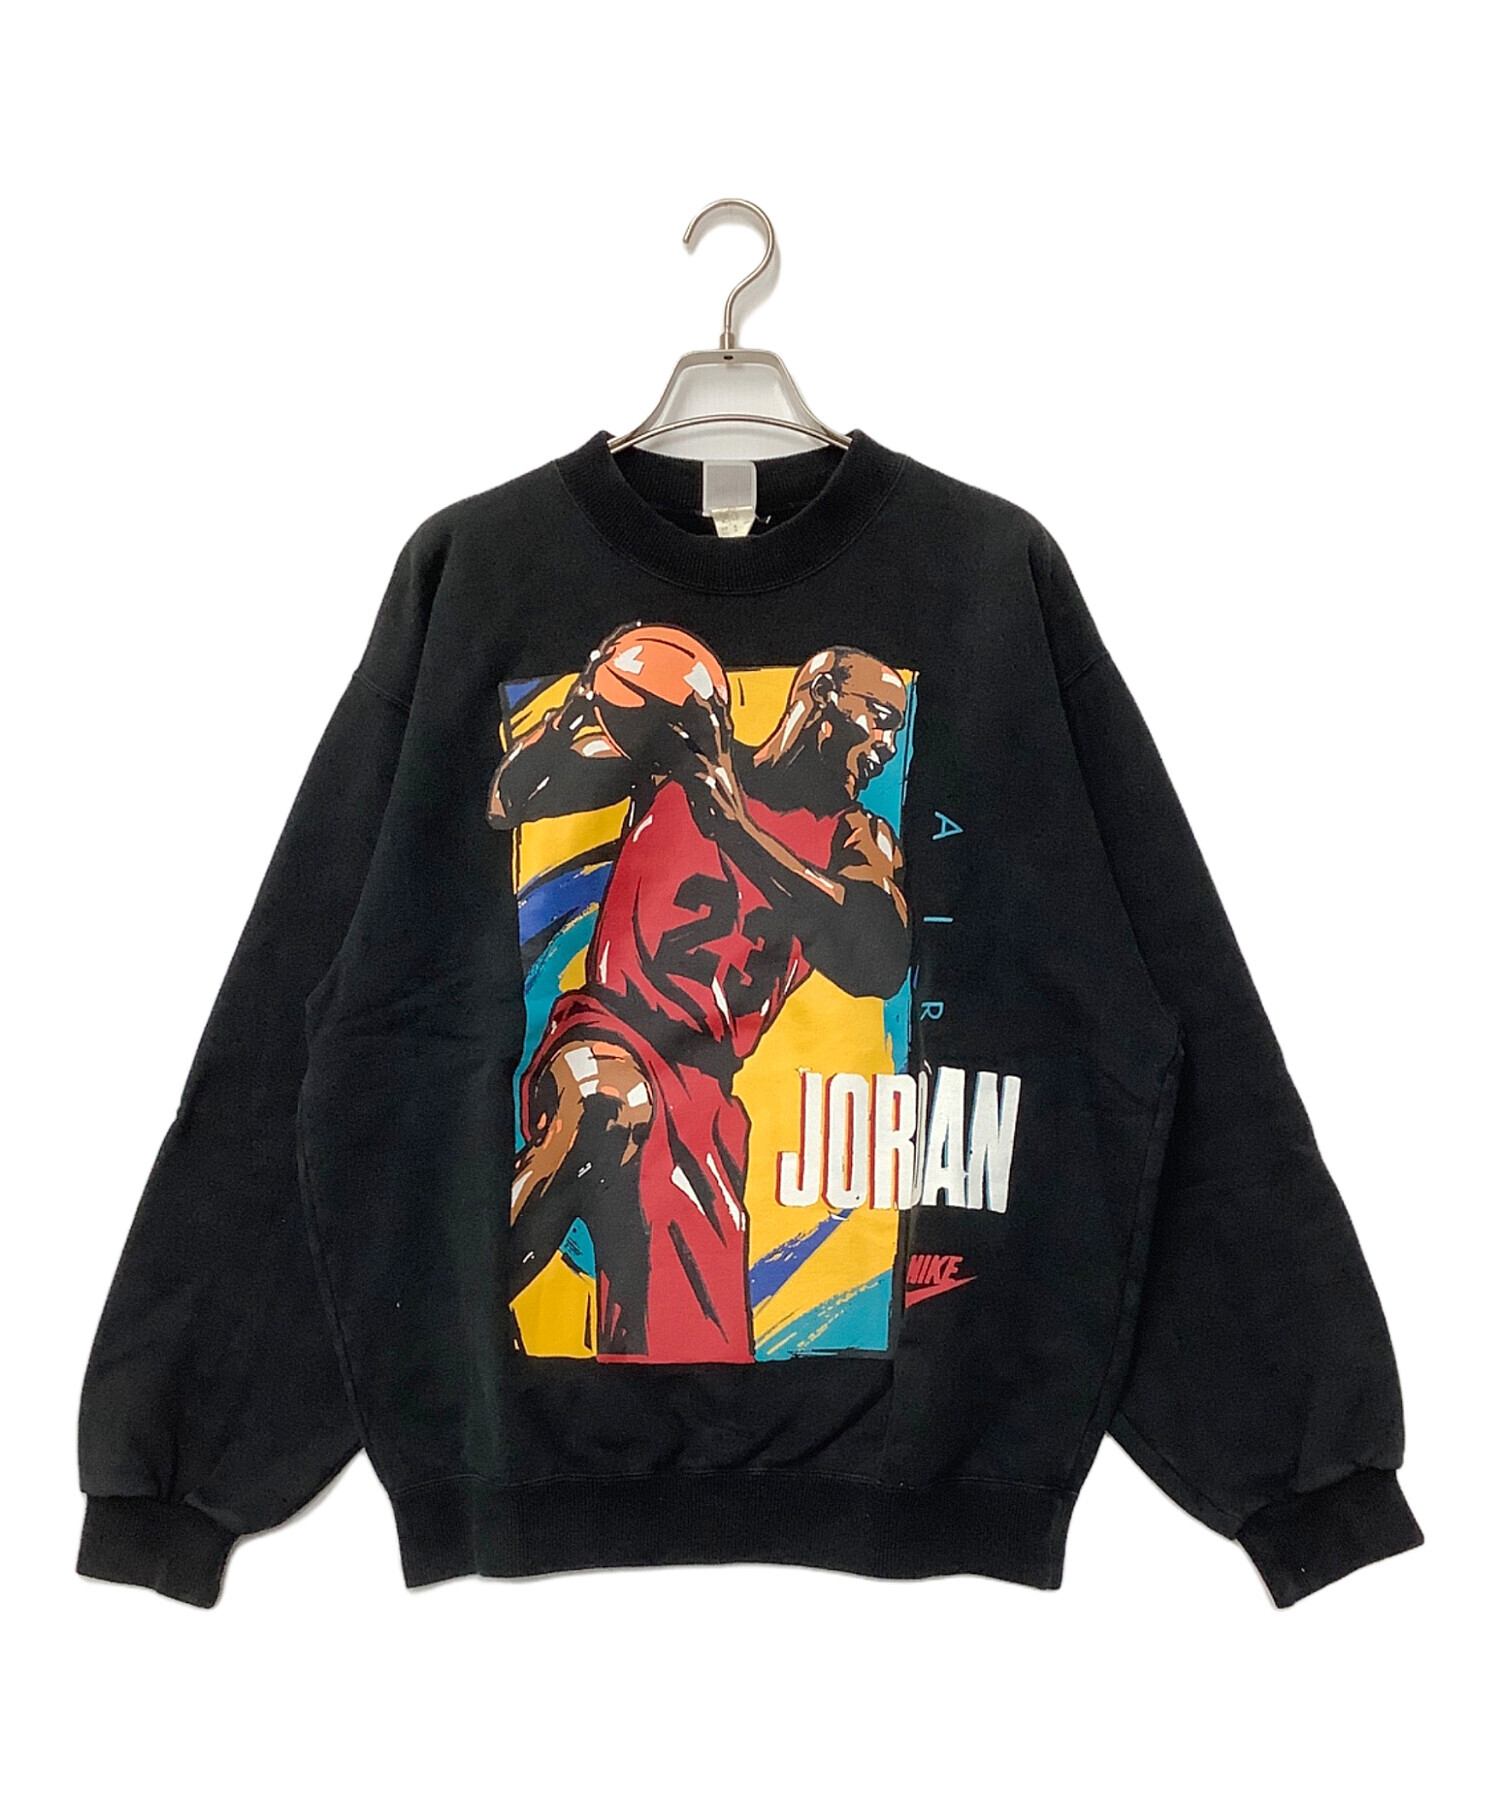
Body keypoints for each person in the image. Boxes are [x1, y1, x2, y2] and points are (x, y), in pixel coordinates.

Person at [488, 624, 910, 1362]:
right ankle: (446, 1308)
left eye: (897, 731)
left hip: (704, 1104)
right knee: (607, 1099)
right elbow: (505, 800)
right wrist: (577, 715)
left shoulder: (859, 840)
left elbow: (879, 960)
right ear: (819, 695)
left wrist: (737, 828)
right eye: (877, 718)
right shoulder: (684, 750)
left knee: (690, 1361)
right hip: (609, 1027)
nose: (886, 745)